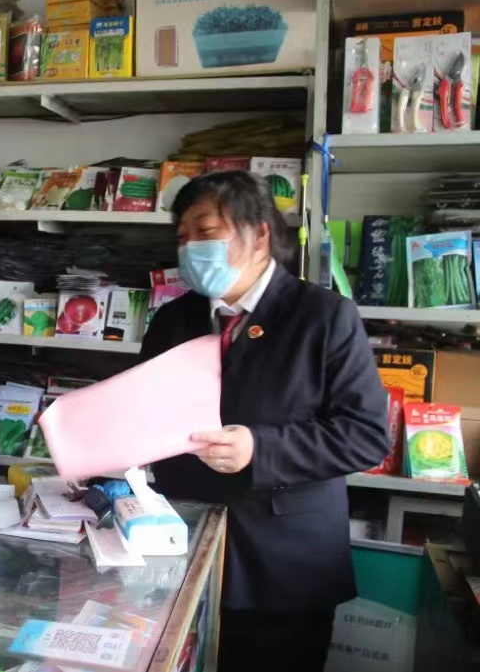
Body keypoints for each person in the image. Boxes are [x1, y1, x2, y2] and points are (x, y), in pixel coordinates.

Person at [137, 171, 390, 672]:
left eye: (206, 232)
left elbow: (365, 435)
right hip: (182, 544)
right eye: (182, 237)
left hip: (284, 564)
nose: (190, 248)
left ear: (259, 234)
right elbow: (142, 408)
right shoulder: (173, 319)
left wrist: (260, 449)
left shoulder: (324, 316)